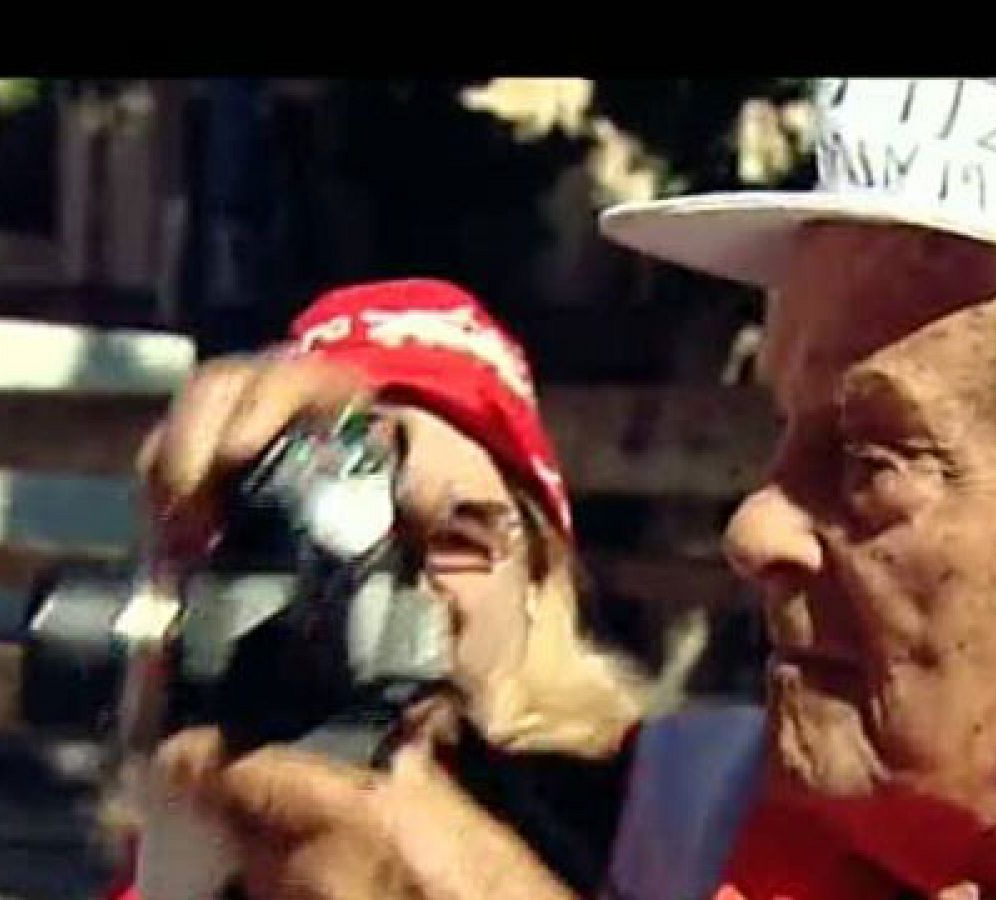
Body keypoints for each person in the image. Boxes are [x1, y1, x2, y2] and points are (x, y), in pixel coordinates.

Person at [155, 80, 996, 899]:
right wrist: (310, 496)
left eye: (874, 462)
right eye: (781, 433)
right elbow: (453, 804)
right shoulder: (766, 806)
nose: (755, 526)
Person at [114, 278, 644, 899]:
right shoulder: (183, 837)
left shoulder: (660, 831)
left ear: (539, 579)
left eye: (457, 540)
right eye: (326, 553)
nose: (397, 588)